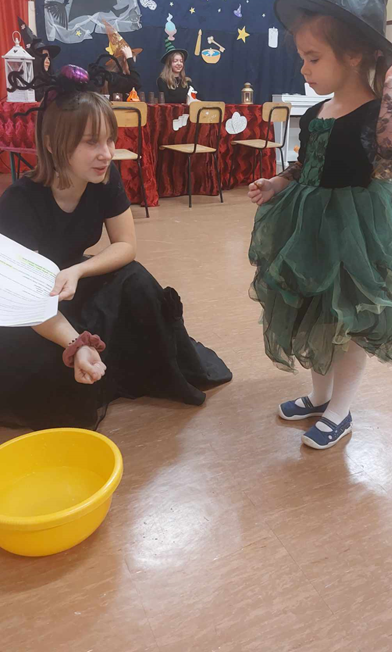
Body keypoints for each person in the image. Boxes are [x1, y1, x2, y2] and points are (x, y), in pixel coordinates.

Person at [247, 0, 392, 450]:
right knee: (311, 310)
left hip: (353, 235)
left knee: (347, 321)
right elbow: (307, 162)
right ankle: (319, 395)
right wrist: (280, 183)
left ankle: (341, 410)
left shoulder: (376, 110)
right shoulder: (318, 110)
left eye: (313, 58)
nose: (304, 68)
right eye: (302, 58)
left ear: (353, 55)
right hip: (308, 227)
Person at [0, 63, 232, 430]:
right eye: (91, 142)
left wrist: (78, 270)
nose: (107, 153)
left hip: (69, 282)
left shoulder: (103, 179)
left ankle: (138, 368)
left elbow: (126, 245)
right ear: (53, 143)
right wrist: (77, 344)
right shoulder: (19, 201)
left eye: (110, 140)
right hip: (29, 308)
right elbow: (28, 303)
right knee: (50, 376)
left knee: (135, 279)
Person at [17, 16, 60, 101]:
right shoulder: (27, 86)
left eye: (48, 57)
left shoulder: (53, 82)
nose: (47, 60)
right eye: (43, 57)